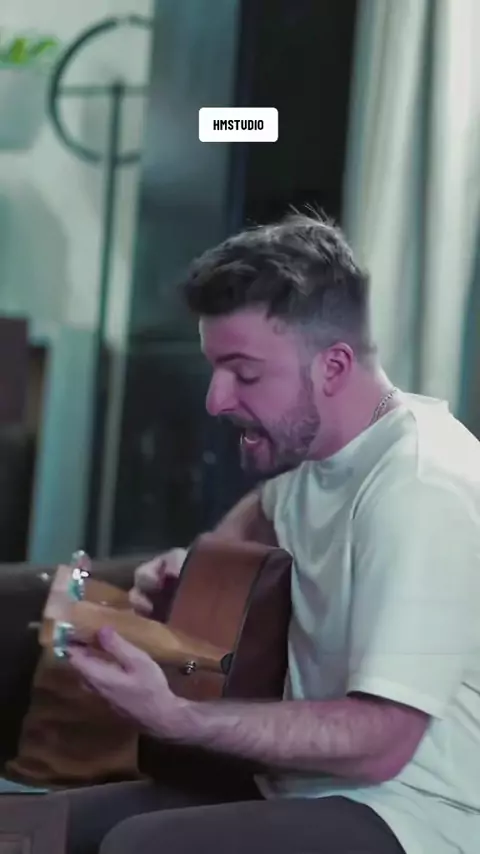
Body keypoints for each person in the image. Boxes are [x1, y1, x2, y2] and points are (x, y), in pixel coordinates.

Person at [59, 212, 480, 854]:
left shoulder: (422, 486)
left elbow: (383, 741)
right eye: (215, 369)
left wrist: (180, 717)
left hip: (422, 814)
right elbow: (261, 513)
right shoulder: (317, 464)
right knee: (42, 832)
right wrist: (192, 568)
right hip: (303, 789)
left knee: (140, 847)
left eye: (245, 373)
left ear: (333, 366)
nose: (216, 400)